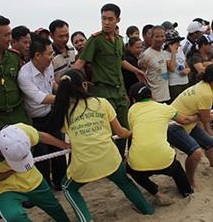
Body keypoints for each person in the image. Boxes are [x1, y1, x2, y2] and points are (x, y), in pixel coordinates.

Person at [51, 70, 153, 220]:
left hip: (84, 163)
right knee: (124, 182)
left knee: (67, 188)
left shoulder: (63, 111)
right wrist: (131, 132)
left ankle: (86, 219)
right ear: (84, 85)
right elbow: (121, 132)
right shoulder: (101, 102)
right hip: (109, 157)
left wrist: (67, 144)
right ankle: (148, 210)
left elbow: (65, 134)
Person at [73, 4, 145, 157]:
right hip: (103, 91)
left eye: (110, 19)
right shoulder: (95, 40)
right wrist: (68, 78)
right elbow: (81, 63)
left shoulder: (119, 40)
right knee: (112, 130)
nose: (106, 22)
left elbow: (121, 62)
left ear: (117, 20)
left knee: (125, 127)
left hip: (119, 91)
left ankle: (119, 158)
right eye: (103, 18)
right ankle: (112, 161)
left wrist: (136, 70)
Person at [0, 123, 70, 222]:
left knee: (55, 208)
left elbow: (40, 136)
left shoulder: (20, 131)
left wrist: (65, 145)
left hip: (33, 180)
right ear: (0, 152)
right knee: (14, 217)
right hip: (4, 189)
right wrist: (12, 170)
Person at [167, 65, 213, 188]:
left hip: (189, 122)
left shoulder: (205, 84)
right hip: (173, 125)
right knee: (196, 153)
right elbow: (206, 118)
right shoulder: (204, 94)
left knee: (211, 145)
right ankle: (191, 181)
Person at [126, 82, 197, 205]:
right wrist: (197, 117)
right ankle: (186, 191)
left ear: (132, 99)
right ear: (152, 95)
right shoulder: (164, 108)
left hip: (138, 162)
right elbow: (185, 120)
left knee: (131, 170)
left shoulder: (131, 111)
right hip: (164, 159)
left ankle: (156, 193)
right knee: (176, 168)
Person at [17, 37, 67, 191]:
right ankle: (44, 187)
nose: (52, 57)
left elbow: (51, 84)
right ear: (37, 55)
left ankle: (61, 183)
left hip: (52, 115)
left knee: (59, 151)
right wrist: (66, 98)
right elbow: (41, 98)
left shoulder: (49, 66)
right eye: (49, 53)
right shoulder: (24, 75)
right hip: (35, 120)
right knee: (41, 156)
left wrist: (62, 89)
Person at [138, 26, 170, 103]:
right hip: (154, 99)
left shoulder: (163, 52)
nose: (160, 39)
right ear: (152, 38)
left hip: (166, 96)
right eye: (157, 37)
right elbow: (141, 75)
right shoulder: (146, 55)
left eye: (162, 36)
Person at [164, 30, 190, 102]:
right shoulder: (164, 53)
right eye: (177, 43)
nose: (179, 45)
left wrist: (187, 70)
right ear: (170, 44)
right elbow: (171, 68)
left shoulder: (180, 50)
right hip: (174, 84)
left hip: (185, 82)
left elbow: (186, 65)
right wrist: (173, 53)